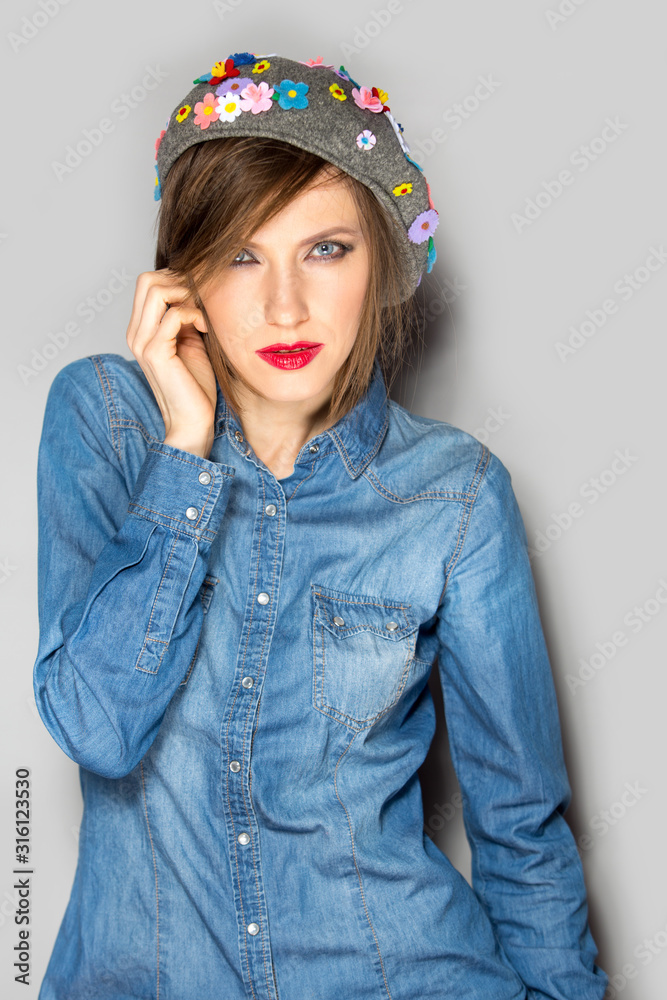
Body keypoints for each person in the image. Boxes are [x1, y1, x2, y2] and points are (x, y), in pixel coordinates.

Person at [32, 51, 609, 999]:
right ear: (182, 279)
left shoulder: (455, 496)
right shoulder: (107, 421)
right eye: (241, 254)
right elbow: (97, 727)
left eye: (325, 250)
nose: (284, 304)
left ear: (378, 260)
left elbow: (521, 829)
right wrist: (185, 453)